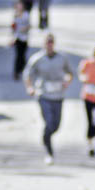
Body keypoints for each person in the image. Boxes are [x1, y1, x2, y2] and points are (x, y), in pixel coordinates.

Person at [22, 33, 74, 165]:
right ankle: (49, 150)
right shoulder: (37, 59)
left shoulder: (62, 58)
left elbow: (70, 73)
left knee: (56, 125)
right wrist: (30, 88)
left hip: (58, 95)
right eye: (47, 42)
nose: (49, 44)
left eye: (51, 42)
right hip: (43, 94)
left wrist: (67, 82)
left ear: (54, 43)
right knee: (49, 122)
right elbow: (27, 74)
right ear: (44, 44)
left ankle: (47, 136)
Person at [11, 1, 31, 81]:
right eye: (18, 6)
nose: (19, 7)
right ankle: (16, 72)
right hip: (17, 38)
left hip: (25, 38)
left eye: (20, 6)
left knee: (23, 55)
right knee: (18, 56)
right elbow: (13, 27)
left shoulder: (26, 15)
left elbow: (29, 25)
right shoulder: (15, 15)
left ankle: (24, 71)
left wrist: (24, 28)